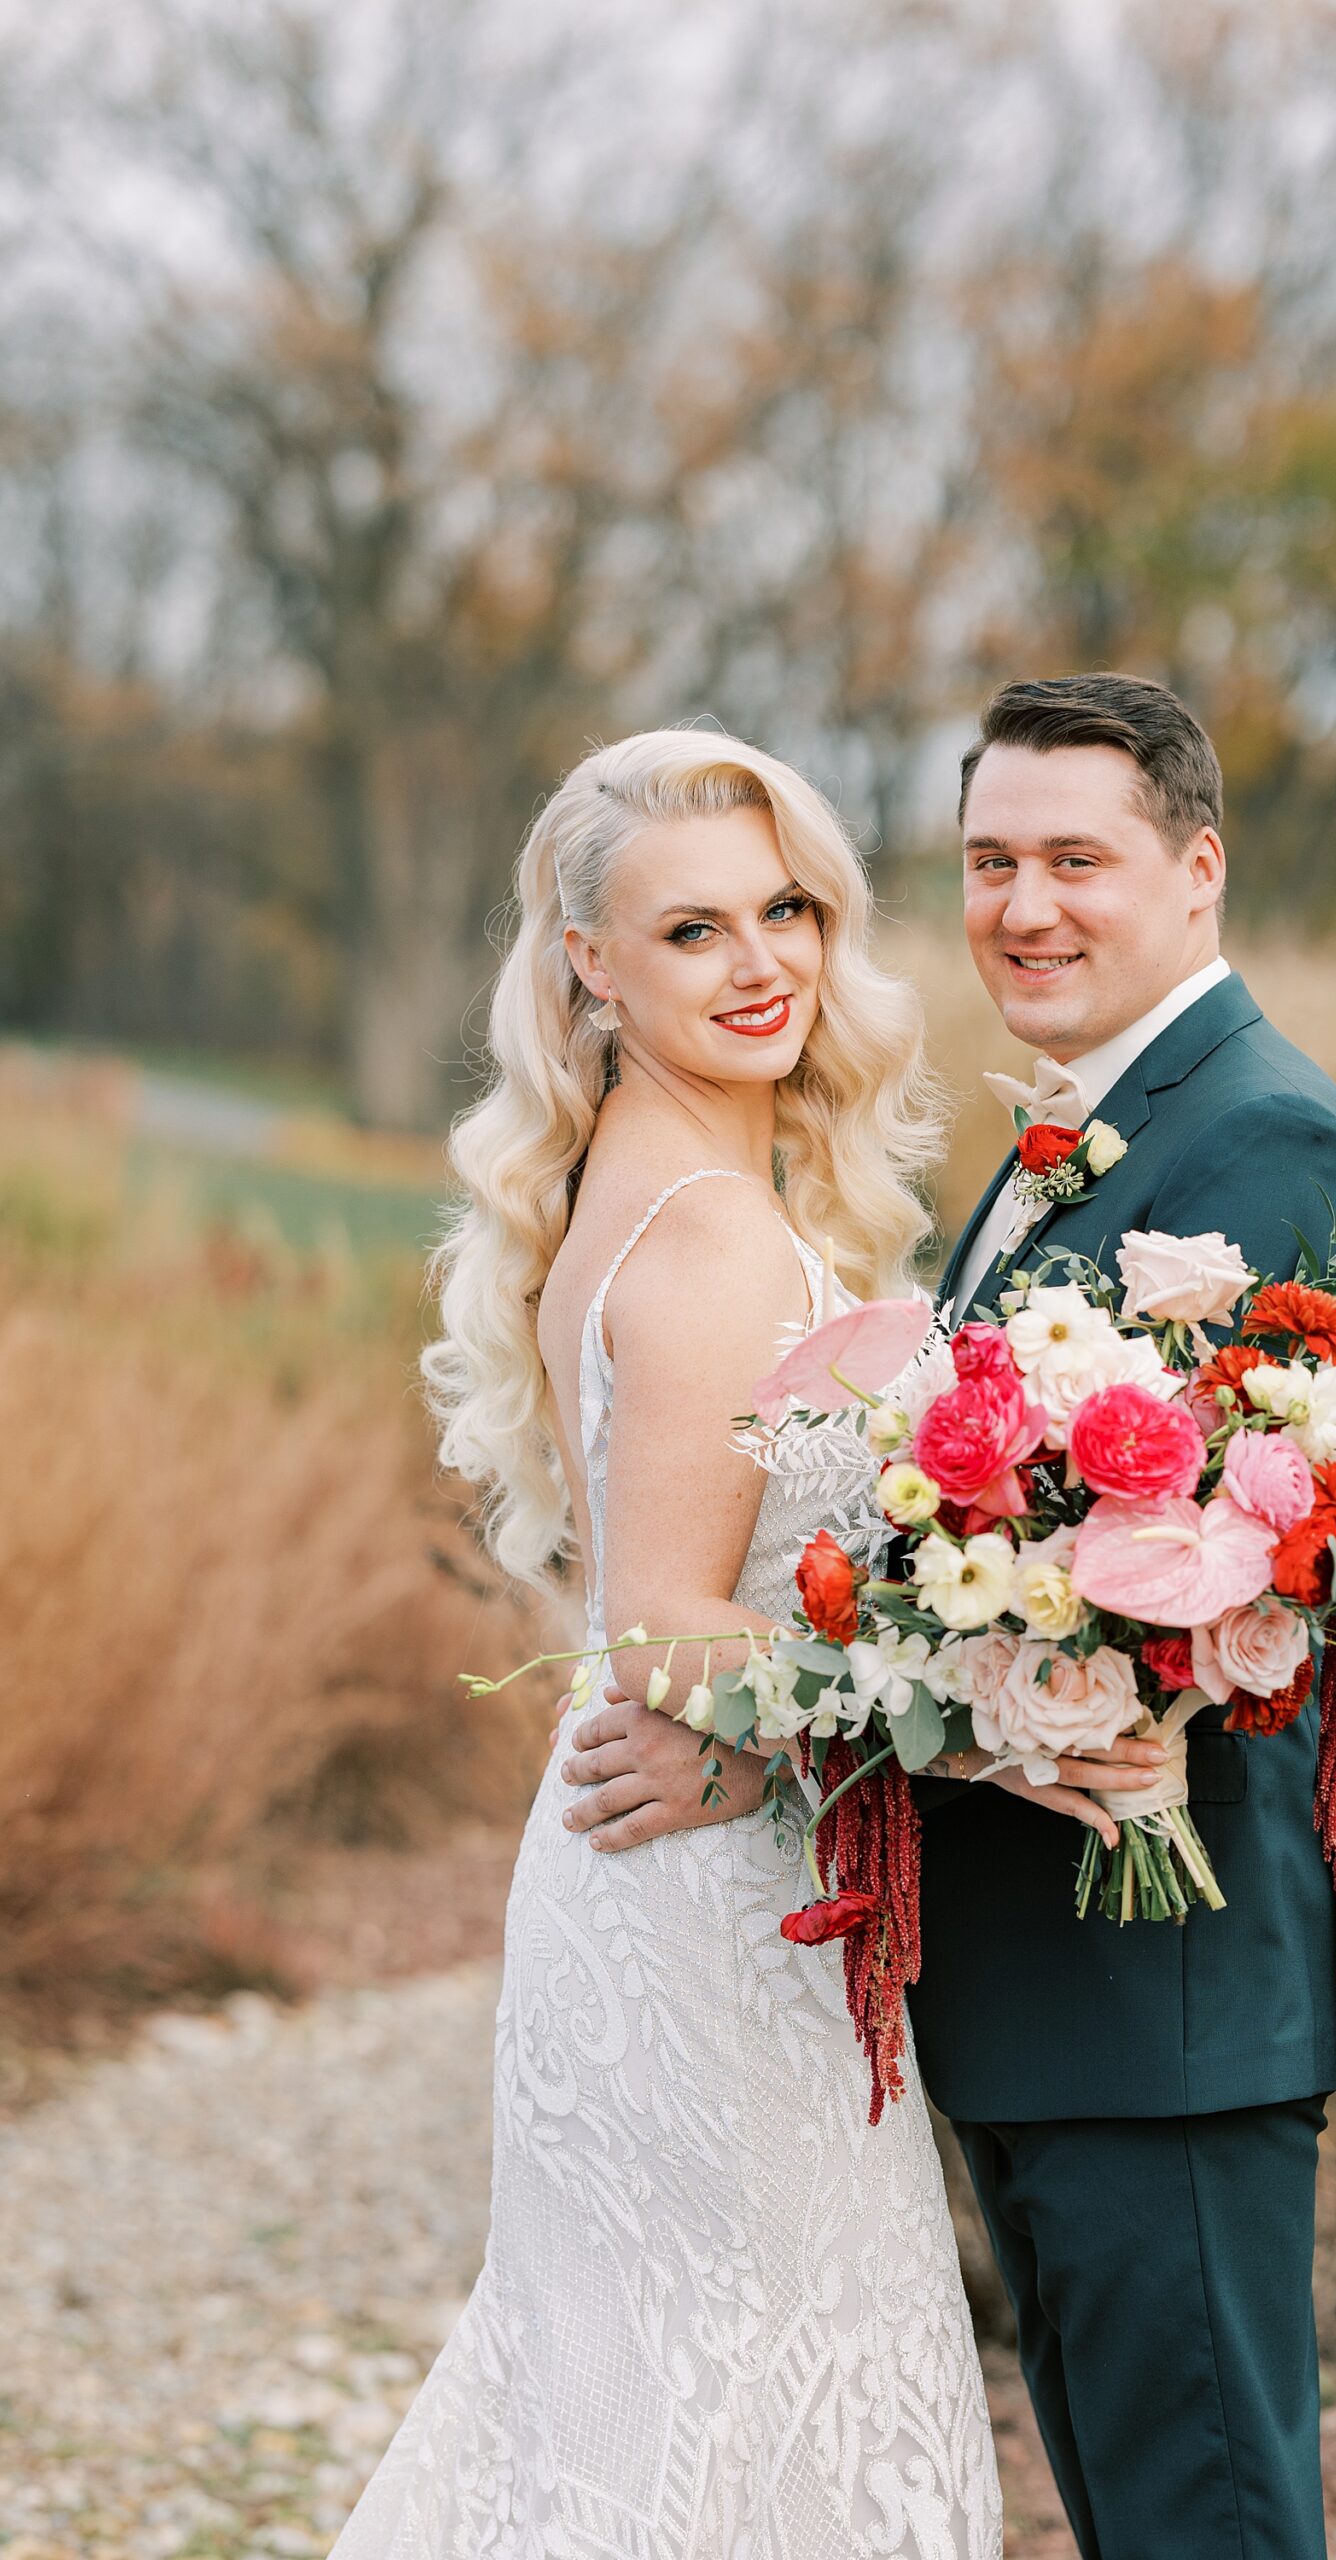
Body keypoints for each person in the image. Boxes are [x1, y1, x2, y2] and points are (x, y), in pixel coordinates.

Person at [330, 730, 1002, 2560]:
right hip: (711, 1903)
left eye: (785, 909)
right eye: (693, 931)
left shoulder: (658, 1190)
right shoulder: (709, 1237)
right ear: (590, 967)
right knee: (740, 2417)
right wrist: (987, 1692)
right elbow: (667, 1634)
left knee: (647, 2406)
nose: (762, 961)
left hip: (679, 1879)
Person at [908, 672, 1336, 2560]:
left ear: (1195, 873)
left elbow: (1302, 1542)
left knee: (1205, 2517)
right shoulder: (1085, 1131)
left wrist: (1027, 1681)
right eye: (989, 862)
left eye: (1075, 861)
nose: (1024, 906)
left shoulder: (1263, 1137)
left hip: (1164, 1988)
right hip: (1056, 1985)